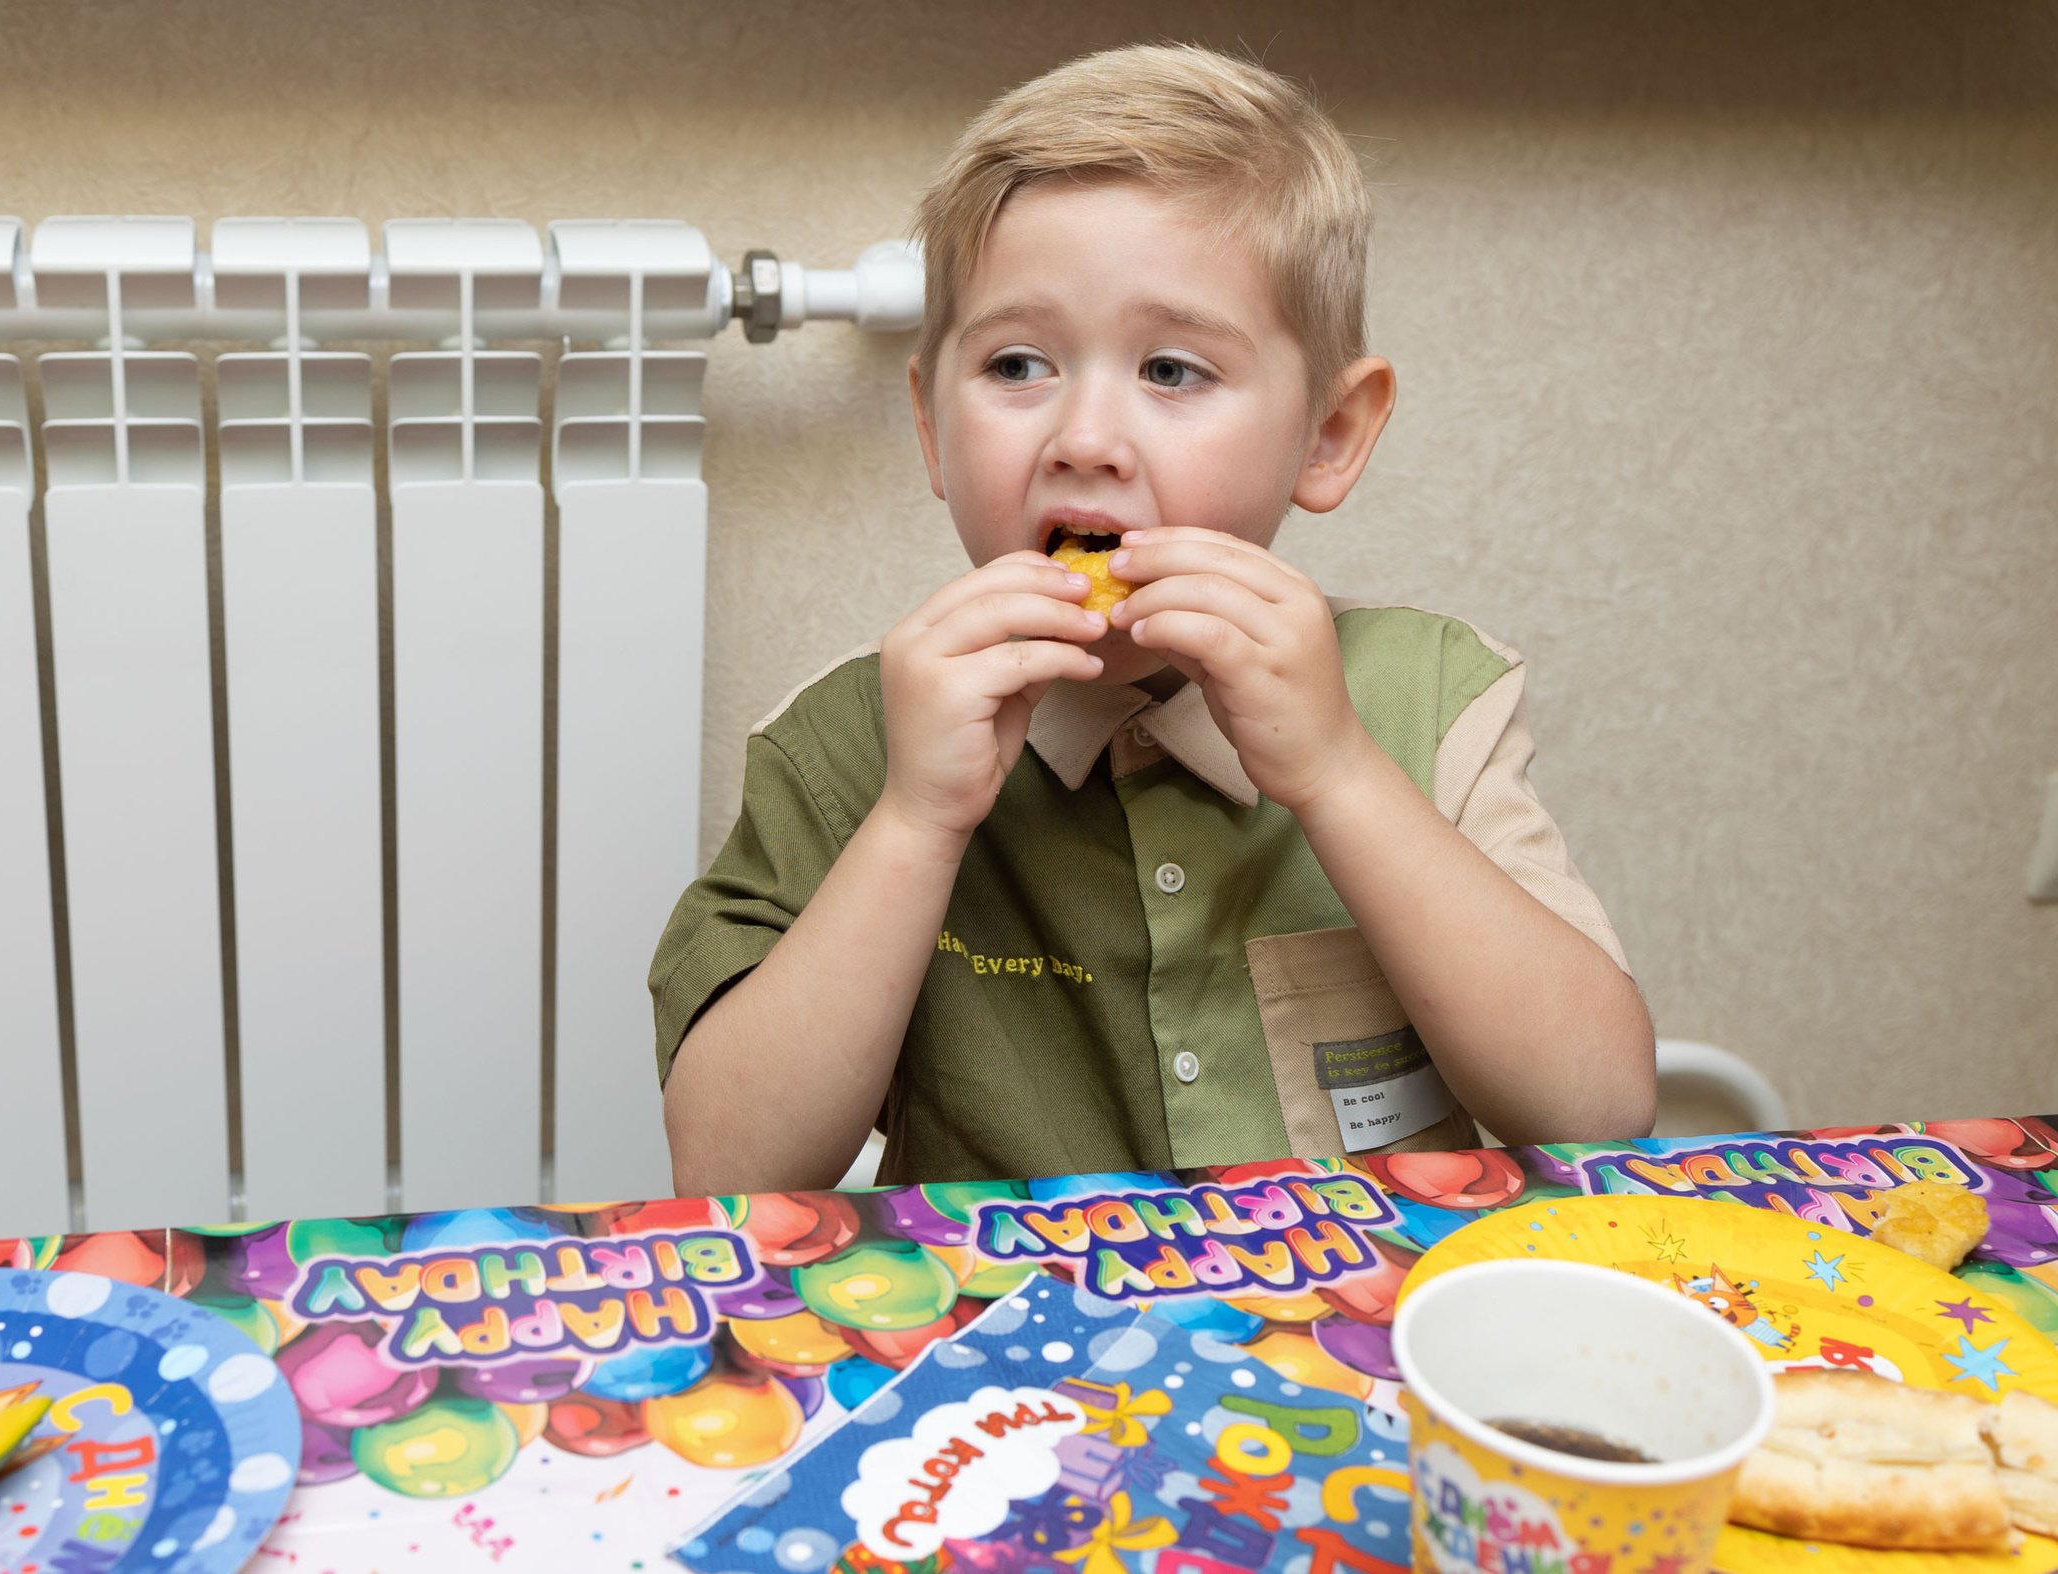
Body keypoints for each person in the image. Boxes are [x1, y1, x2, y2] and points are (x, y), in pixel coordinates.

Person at [653, 43, 1655, 1195]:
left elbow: (1600, 1110)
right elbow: (725, 1171)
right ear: (930, 424)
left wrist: (1336, 772)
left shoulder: (1435, 697)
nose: (1083, 436)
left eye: (1173, 371)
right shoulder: (849, 742)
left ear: (1328, 435)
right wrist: (915, 822)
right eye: (1017, 362)